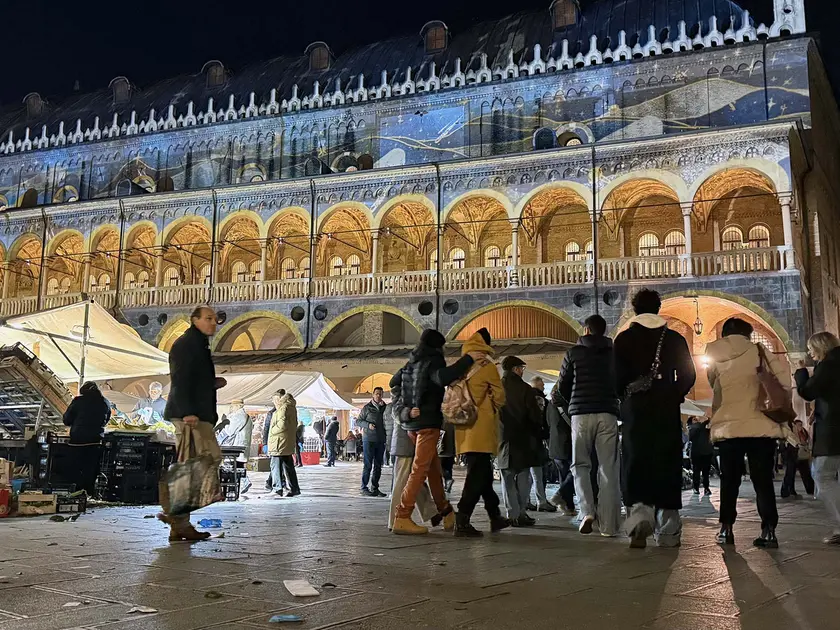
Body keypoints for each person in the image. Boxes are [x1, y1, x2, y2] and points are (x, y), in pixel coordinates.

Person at [615, 290, 696, 549]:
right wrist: (673, 394)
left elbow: (615, 378)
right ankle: (669, 530)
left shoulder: (624, 339)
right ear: (659, 308)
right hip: (666, 409)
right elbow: (689, 375)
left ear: (635, 309)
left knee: (636, 459)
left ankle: (640, 516)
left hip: (635, 410)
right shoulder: (674, 338)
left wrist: (625, 396)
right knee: (667, 461)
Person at [707, 317, 789, 549]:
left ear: (724, 334)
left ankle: (726, 529)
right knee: (763, 481)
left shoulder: (715, 354)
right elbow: (783, 381)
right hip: (761, 425)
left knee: (729, 481)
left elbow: (714, 386)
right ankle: (769, 531)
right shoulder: (759, 351)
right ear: (748, 334)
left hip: (729, 427)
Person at [389, 328, 476, 535]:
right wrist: (468, 359)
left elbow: (393, 382)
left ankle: (446, 513)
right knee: (419, 470)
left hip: (412, 425)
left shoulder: (411, 362)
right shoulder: (433, 361)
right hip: (428, 423)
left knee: (433, 470)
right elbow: (443, 377)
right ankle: (402, 516)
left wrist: (408, 406)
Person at [159, 306, 225, 542]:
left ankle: (179, 524)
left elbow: (193, 378)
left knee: (197, 463)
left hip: (199, 414)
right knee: (197, 463)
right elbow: (180, 378)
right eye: (208, 318)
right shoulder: (187, 343)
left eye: (214, 319)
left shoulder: (199, 344)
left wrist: (210, 383)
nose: (213, 323)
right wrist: (187, 411)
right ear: (194, 320)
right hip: (190, 416)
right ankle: (175, 516)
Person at [559, 314, 622, 537]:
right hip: (607, 413)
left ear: (586, 330)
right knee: (608, 468)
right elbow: (620, 383)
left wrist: (575, 401)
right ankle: (609, 526)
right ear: (604, 331)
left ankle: (586, 511)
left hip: (580, 414)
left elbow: (563, 386)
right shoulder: (614, 353)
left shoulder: (573, 353)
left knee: (580, 465)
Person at [453, 329, 509, 537]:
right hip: (481, 426)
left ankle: (495, 516)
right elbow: (500, 396)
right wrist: (490, 406)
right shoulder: (487, 366)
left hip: (463, 426)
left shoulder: (461, 364)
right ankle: (462, 518)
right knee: (476, 475)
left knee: (483, 473)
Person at [795, 331, 840, 545]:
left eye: (811, 349)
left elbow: (807, 392)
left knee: (822, 475)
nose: (810, 353)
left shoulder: (828, 365)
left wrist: (801, 372)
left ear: (821, 347)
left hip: (833, 431)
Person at [388, 381, 439, 530]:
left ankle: (431, 512)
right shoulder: (401, 391)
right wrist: (409, 414)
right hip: (404, 443)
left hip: (414, 441)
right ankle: (394, 520)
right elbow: (396, 412)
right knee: (401, 482)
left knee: (416, 480)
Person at [499, 356, 543, 527]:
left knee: (507, 477)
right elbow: (535, 416)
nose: (522, 371)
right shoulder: (526, 389)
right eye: (521, 368)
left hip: (503, 438)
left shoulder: (496, 387)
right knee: (524, 477)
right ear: (515, 369)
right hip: (523, 437)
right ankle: (522, 513)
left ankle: (512, 514)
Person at [62, 381, 111, 495]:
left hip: (77, 441)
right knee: (91, 470)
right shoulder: (105, 402)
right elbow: (106, 421)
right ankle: (88, 494)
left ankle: (75, 493)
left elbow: (67, 420)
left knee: (76, 469)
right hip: (95, 441)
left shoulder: (78, 401)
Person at [527, 376, 556, 513]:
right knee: (538, 473)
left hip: (526, 440)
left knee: (528, 473)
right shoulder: (540, 400)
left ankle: (526, 500)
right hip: (537, 440)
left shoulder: (525, 398)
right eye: (542, 384)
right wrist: (545, 434)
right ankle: (541, 501)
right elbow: (543, 421)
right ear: (537, 385)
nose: (544, 386)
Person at [548, 384, 576, 516]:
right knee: (575, 471)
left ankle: (568, 506)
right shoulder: (567, 403)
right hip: (567, 443)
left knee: (563, 475)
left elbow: (548, 423)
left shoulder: (550, 405)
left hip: (555, 444)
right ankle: (560, 494)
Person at [267, 389, 301, 497]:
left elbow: (282, 425)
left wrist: (272, 431)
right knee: (288, 466)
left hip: (279, 442)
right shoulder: (291, 407)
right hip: (286, 442)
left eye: (274, 399)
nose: (273, 402)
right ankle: (294, 488)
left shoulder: (283, 408)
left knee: (275, 465)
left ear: (279, 398)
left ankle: (277, 488)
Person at [217, 400, 253, 494]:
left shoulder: (239, 416)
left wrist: (218, 439)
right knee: (237, 467)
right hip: (240, 445)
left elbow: (229, 431)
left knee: (233, 467)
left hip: (236, 446)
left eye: (232, 406)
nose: (231, 408)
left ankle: (239, 485)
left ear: (237, 406)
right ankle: (237, 486)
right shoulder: (243, 416)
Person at [357, 387, 387, 496]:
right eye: (377, 394)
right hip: (369, 439)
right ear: (373, 395)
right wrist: (368, 425)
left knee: (378, 465)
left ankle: (375, 488)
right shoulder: (367, 408)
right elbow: (358, 421)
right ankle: (364, 487)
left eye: (380, 394)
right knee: (368, 464)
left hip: (381, 439)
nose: (378, 396)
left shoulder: (385, 408)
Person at [781, 419, 815, 498]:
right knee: (790, 473)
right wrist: (797, 444)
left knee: (805, 473)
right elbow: (789, 439)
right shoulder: (790, 428)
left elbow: (806, 440)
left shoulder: (803, 431)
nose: (800, 426)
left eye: (801, 424)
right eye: (798, 425)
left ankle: (810, 489)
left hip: (802, 454)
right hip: (793, 454)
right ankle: (787, 491)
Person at [687, 417, 714, 496]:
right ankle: (696, 487)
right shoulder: (692, 428)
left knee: (706, 472)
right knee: (696, 471)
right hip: (697, 453)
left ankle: (706, 488)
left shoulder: (703, 428)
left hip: (706, 452)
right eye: (694, 419)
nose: (697, 420)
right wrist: (704, 422)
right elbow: (691, 437)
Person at [439, 422, 456, 494]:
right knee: (448, 468)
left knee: (439, 467)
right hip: (451, 450)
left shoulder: (440, 420)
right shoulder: (453, 422)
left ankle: (448, 480)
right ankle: (447, 484)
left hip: (441, 450)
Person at [384, 397, 395, 467]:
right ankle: (392, 462)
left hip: (387, 430)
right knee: (394, 446)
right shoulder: (398, 406)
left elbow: (383, 419)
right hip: (394, 430)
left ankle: (386, 462)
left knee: (387, 447)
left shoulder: (387, 407)